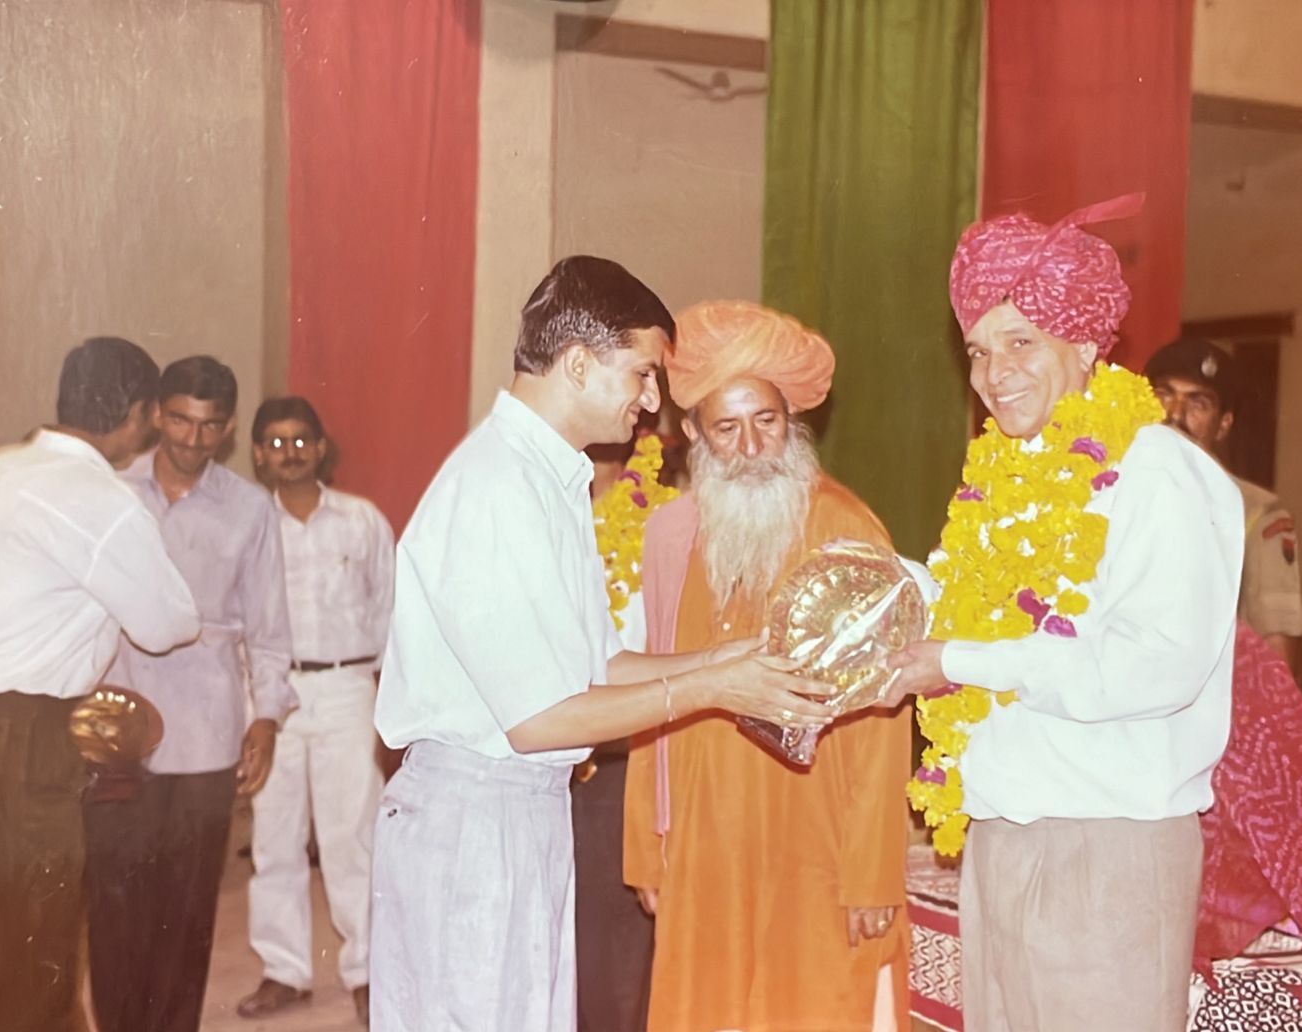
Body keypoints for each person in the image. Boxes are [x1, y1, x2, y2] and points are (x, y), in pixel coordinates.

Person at [370, 256, 834, 1032]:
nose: (653, 403)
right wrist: (717, 691)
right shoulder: (495, 487)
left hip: (523, 814)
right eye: (643, 374)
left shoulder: (553, 480)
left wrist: (733, 659)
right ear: (580, 364)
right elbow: (540, 719)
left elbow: (598, 667)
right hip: (473, 819)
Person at [885, 197, 1244, 1032]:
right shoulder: (1004, 479)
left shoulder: (1157, 475)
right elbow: (972, 612)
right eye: (977, 349)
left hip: (1107, 850)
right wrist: (869, 579)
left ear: (1084, 344)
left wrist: (959, 662)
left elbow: (1153, 665)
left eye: (1020, 343)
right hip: (1001, 837)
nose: (991, 372)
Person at [621, 300, 912, 1032]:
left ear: (793, 421)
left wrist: (872, 870)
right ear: (692, 434)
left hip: (812, 840)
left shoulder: (846, 526)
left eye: (768, 421)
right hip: (701, 839)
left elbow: (883, 713)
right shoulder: (672, 537)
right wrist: (647, 849)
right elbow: (652, 694)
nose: (751, 444)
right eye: (727, 426)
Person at [0, 337, 201, 1032]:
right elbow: (169, 624)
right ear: (137, 415)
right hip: (29, 738)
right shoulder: (97, 497)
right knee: (37, 941)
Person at [84, 355, 297, 1032]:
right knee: (115, 908)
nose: (191, 439)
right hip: (115, 734)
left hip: (206, 734)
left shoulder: (250, 508)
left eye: (208, 426)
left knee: (186, 912)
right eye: (178, 419)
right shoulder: (111, 493)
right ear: (154, 415)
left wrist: (265, 719)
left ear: (228, 429)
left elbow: (269, 628)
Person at [237, 396, 392, 1024]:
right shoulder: (249, 525)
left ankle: (365, 970)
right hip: (271, 697)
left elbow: (390, 612)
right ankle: (284, 969)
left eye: (302, 440)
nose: (290, 452)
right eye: (275, 442)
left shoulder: (361, 520)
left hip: (347, 688)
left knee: (351, 836)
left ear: (321, 447)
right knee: (274, 838)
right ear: (256, 453)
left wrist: (391, 706)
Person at [1145, 337, 1302, 684]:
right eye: (1163, 396)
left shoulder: (1256, 512)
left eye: (1198, 404)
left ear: (1223, 425)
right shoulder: (1109, 491)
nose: (1175, 415)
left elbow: (1278, 646)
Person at [572, 435, 663, 1032]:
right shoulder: (547, 508)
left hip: (633, 758)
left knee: (631, 942)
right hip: (552, 754)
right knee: (570, 939)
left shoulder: (667, 516)